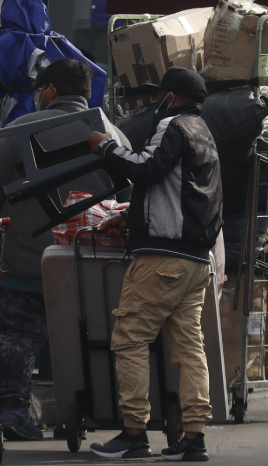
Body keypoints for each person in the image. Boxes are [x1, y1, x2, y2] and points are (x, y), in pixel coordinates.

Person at [0, 58, 128, 441]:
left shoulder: (21, 129)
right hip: (90, 263)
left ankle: (11, 411)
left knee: (18, 334)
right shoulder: (113, 135)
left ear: (49, 91)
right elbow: (130, 197)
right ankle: (81, 413)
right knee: (85, 335)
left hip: (27, 260)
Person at [87, 67, 222, 461]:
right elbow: (175, 191)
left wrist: (105, 147)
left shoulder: (172, 125)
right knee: (190, 348)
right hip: (196, 261)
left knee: (130, 338)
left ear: (171, 97)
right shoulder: (204, 132)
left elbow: (146, 168)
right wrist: (130, 218)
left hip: (163, 259)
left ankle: (134, 433)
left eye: (160, 94)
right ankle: (194, 437)